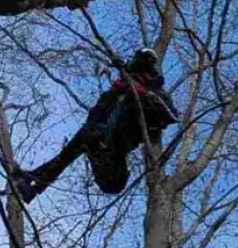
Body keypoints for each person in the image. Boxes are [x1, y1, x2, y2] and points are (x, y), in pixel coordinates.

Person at [10, 48, 177, 203]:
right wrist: (117, 89)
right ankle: (33, 184)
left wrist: (137, 91)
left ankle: (33, 179)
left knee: (109, 177)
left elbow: (170, 115)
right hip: (99, 137)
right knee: (77, 144)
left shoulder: (155, 92)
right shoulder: (115, 95)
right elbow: (96, 115)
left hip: (117, 148)